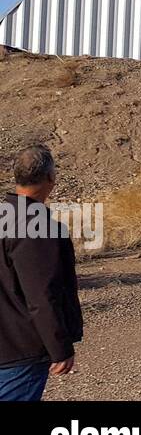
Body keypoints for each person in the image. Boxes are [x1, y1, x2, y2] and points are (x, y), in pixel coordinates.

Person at [0, 145, 83, 400]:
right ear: (51, 178)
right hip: (22, 350)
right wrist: (59, 347)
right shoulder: (38, 226)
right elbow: (41, 294)